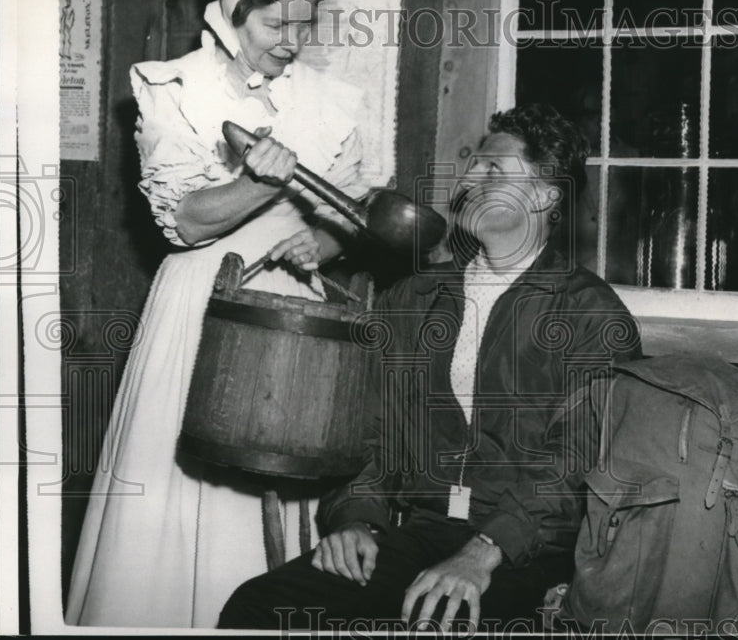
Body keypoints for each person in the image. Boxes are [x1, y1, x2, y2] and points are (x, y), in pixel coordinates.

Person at [218, 103, 642, 632]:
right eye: (473, 166)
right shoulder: (414, 297)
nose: (470, 180)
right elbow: (369, 426)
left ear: (544, 195)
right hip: (420, 532)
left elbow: (576, 464)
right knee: (258, 607)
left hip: (526, 551)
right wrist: (355, 519)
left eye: (494, 170)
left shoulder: (589, 314)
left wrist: (483, 552)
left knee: (439, 624)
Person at [66, 0, 372, 628]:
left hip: (294, 318)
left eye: (305, 26)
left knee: (281, 489)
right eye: (275, 26)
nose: (292, 43)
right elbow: (183, 223)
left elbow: (353, 218)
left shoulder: (329, 101)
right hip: (202, 309)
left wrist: (319, 245)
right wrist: (257, 181)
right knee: (179, 499)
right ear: (232, 14)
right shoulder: (176, 90)